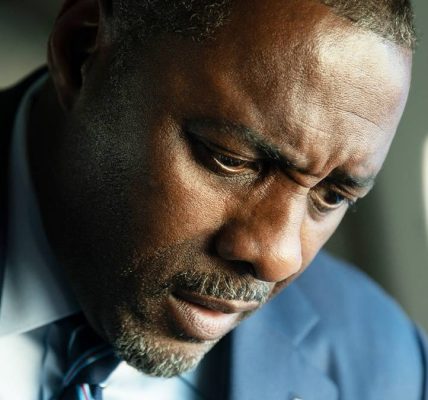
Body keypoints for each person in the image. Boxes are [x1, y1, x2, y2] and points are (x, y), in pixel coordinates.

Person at [0, 0, 427, 398]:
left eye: (332, 195)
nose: (278, 258)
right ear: (81, 54)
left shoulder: (388, 366)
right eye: (231, 160)